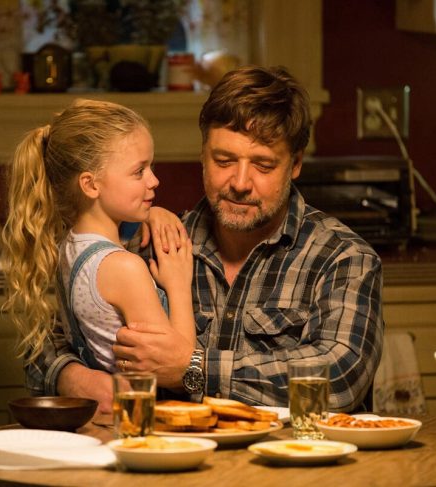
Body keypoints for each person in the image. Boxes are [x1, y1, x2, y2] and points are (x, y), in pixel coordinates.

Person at [26, 65, 385, 413]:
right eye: (224, 160)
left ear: (295, 164)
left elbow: (341, 377)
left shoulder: (342, 257)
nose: (241, 183)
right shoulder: (150, 241)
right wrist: (72, 378)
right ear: (202, 155)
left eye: (263, 165)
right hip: (169, 465)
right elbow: (45, 340)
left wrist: (192, 367)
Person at [2, 99, 196, 412]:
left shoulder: (69, 247)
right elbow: (177, 365)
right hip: (140, 422)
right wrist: (178, 285)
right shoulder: (123, 268)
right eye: (139, 171)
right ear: (91, 185)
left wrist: (150, 214)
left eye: (151, 167)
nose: (154, 180)